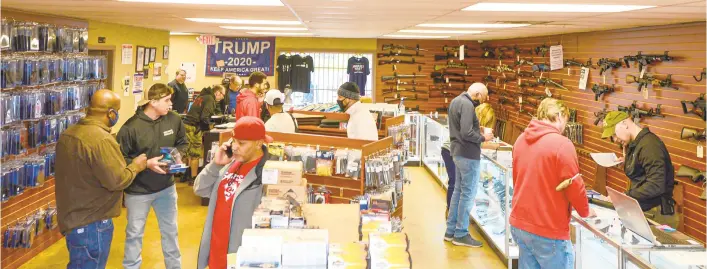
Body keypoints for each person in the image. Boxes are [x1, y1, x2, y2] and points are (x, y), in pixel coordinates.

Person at [55, 89, 155, 269]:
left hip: (73, 220)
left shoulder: (69, 134)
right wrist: (137, 166)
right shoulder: (101, 139)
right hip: (92, 223)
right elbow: (118, 180)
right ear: (111, 113)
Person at [510, 98, 594, 269]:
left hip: (520, 224)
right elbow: (574, 186)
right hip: (548, 229)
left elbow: (517, 178)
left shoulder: (520, 140)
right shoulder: (562, 145)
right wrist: (586, 211)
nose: (565, 126)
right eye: (566, 120)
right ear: (559, 116)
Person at [116, 83, 188, 269]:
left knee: (171, 232)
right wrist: (146, 164)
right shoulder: (130, 128)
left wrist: (179, 154)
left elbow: (182, 142)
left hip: (167, 188)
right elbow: (119, 159)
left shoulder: (173, 120)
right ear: (153, 102)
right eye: (166, 100)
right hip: (138, 191)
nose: (170, 104)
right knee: (134, 234)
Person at [193, 116, 272, 269]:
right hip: (216, 253)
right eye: (233, 141)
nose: (235, 147)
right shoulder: (229, 164)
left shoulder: (266, 174)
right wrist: (215, 166)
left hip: (241, 257)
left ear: (259, 143)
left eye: (241, 143)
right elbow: (200, 189)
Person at [602, 111, 678, 227]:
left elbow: (656, 185)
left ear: (624, 124)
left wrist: (624, 196)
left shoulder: (650, 146)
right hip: (645, 210)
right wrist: (628, 162)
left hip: (656, 214)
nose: (615, 139)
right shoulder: (637, 144)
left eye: (614, 134)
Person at [444, 83, 493, 247]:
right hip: (468, 155)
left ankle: (451, 231)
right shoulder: (467, 104)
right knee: (467, 194)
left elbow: (462, 128)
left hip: (457, 153)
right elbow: (466, 133)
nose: (482, 101)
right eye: (483, 98)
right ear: (478, 94)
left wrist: (474, 128)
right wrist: (483, 138)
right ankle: (461, 233)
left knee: (458, 192)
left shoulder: (456, 101)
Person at [442, 102, 497, 212]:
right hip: (450, 151)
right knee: (454, 182)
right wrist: (492, 144)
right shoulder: (471, 124)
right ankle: (451, 212)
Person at [183, 85, 226, 184]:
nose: (222, 98)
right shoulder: (210, 99)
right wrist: (211, 127)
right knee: (195, 154)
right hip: (194, 127)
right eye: (222, 95)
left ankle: (185, 175)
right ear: (217, 92)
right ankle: (193, 178)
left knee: (186, 153)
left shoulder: (203, 96)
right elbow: (204, 117)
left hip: (186, 125)